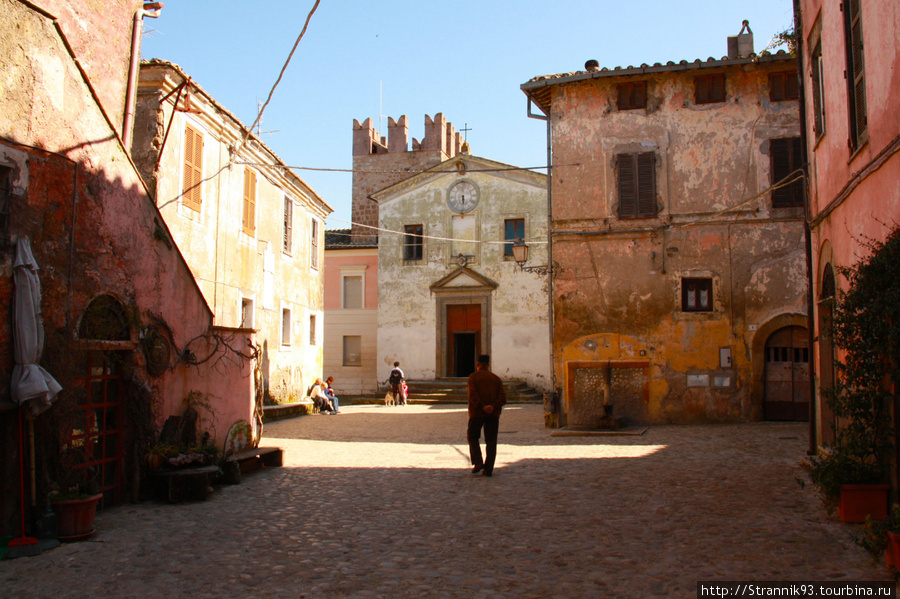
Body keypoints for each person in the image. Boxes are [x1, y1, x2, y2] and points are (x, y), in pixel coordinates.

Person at [467, 354, 506, 477]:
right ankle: (489, 468)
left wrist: (482, 406)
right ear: (488, 364)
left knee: (472, 436)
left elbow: (473, 395)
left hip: (477, 413)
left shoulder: (473, 377)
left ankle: (478, 462)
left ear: (477, 364)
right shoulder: (496, 379)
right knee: (491, 440)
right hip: (493, 414)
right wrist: (493, 406)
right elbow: (503, 397)